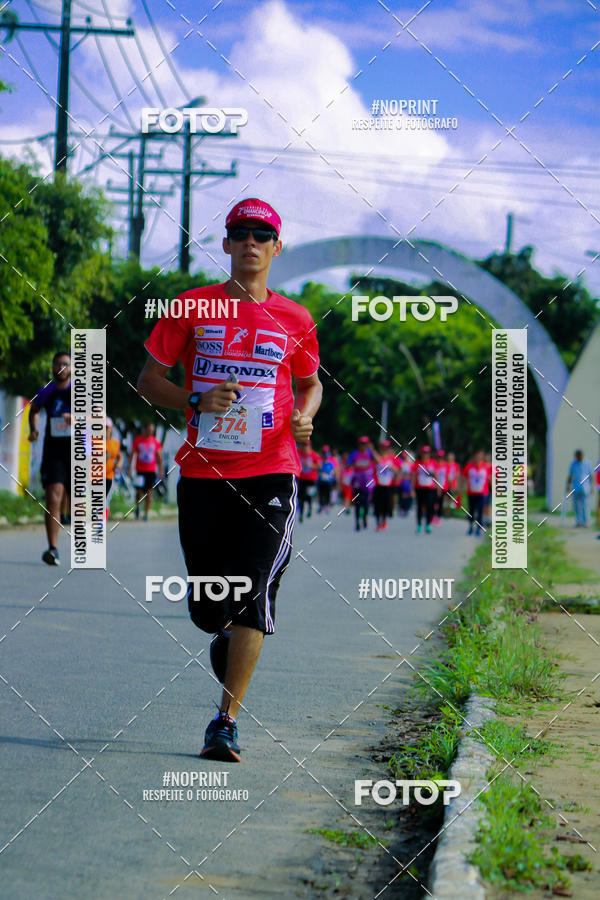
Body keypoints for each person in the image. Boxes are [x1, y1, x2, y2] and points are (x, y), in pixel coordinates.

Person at [136, 197, 322, 762]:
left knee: (254, 592)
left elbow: (311, 383)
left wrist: (304, 416)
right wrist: (195, 399)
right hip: (203, 475)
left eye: (262, 235)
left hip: (272, 471)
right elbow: (148, 380)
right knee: (208, 607)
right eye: (240, 233)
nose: (250, 242)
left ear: (276, 247)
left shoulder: (296, 319)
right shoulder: (191, 307)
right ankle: (221, 630)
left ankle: (225, 722)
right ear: (226, 245)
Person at [28, 351, 72, 566]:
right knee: (53, 496)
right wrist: (33, 429)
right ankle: (52, 548)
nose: (61, 367)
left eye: (65, 364)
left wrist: (76, 418)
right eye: (57, 363)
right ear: (53, 367)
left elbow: (98, 415)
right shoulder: (46, 391)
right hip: (53, 451)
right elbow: (34, 410)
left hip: (79, 452)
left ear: (72, 368)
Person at [128, 423, 164, 521]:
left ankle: (146, 513)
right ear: (144, 429)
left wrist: (161, 469)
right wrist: (129, 468)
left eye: (152, 430)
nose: (150, 432)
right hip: (140, 470)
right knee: (138, 491)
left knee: (149, 492)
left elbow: (160, 456)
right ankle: (138, 507)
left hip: (151, 471)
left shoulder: (155, 441)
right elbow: (132, 454)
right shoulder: (138, 440)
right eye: (149, 430)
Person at [347, 436, 376, 531]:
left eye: (365, 444)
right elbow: (347, 465)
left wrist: (373, 450)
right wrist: (354, 465)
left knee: (366, 503)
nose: (363, 446)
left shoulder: (370, 453)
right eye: (361, 444)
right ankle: (357, 522)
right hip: (357, 481)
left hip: (367, 481)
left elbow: (379, 461)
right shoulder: (354, 454)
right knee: (357, 503)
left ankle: (364, 517)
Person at [463, 449, 489, 536]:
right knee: (471, 511)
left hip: (482, 493)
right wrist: (460, 489)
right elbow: (463, 477)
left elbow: (490, 478)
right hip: (471, 493)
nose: (478, 457)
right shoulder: (469, 466)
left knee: (480, 511)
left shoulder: (486, 466)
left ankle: (478, 529)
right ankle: (470, 527)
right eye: (477, 455)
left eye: (480, 455)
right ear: (474, 456)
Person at [412, 445, 438, 533]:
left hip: (430, 488)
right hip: (419, 488)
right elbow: (414, 476)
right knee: (420, 506)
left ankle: (428, 524)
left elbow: (436, 476)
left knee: (429, 506)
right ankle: (419, 524)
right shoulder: (417, 463)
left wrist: (437, 487)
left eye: (427, 453)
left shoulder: (433, 463)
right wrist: (412, 489)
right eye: (424, 453)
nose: (425, 455)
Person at [373, 439, 396, 530]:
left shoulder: (392, 459)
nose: (384, 449)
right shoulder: (377, 458)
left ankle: (384, 520)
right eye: (382, 448)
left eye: (386, 448)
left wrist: (392, 467)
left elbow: (398, 470)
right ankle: (378, 522)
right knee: (378, 504)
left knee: (386, 504)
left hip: (388, 485)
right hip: (378, 485)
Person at [567, 449, 593, 527]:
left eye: (580, 456)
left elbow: (591, 475)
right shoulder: (573, 464)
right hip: (576, 487)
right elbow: (570, 475)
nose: (579, 457)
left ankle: (586, 522)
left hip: (585, 488)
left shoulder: (587, 463)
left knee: (585, 505)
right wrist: (568, 486)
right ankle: (579, 522)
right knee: (577, 506)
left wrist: (592, 486)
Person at [297, 440, 321, 521]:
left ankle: (310, 509)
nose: (305, 447)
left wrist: (311, 465)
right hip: (302, 479)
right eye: (303, 445)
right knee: (301, 497)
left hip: (311, 479)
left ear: (310, 446)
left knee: (309, 496)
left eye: (306, 446)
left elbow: (319, 466)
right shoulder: (299, 453)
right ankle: (301, 514)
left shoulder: (314, 455)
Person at [105, 417, 123, 518]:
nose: (104, 429)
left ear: (111, 429)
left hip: (109, 476)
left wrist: (119, 463)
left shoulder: (114, 443)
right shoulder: (94, 441)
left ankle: (101, 521)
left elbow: (120, 456)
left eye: (107, 427)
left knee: (106, 500)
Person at [317, 445, 337, 514]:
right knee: (321, 494)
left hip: (328, 481)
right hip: (321, 480)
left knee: (327, 494)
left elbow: (334, 470)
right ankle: (321, 506)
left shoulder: (331, 462)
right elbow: (318, 469)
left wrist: (332, 475)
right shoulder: (320, 461)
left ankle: (327, 506)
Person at [433, 449, 448, 523]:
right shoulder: (434, 464)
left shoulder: (446, 465)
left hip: (443, 486)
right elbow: (434, 476)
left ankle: (438, 516)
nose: (440, 458)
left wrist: (451, 485)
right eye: (439, 457)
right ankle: (433, 515)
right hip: (434, 486)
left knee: (440, 502)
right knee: (434, 502)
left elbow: (447, 476)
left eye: (441, 457)